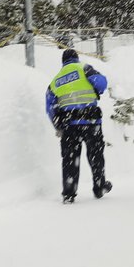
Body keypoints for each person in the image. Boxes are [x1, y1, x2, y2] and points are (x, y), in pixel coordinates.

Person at [45, 49, 112, 204]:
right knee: (95, 156)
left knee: (69, 160)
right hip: (90, 123)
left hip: (69, 126)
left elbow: (50, 107)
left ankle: (69, 193)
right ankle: (99, 187)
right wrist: (96, 89)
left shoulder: (55, 80)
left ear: (63, 62)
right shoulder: (84, 68)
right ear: (76, 58)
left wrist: (58, 125)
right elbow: (101, 84)